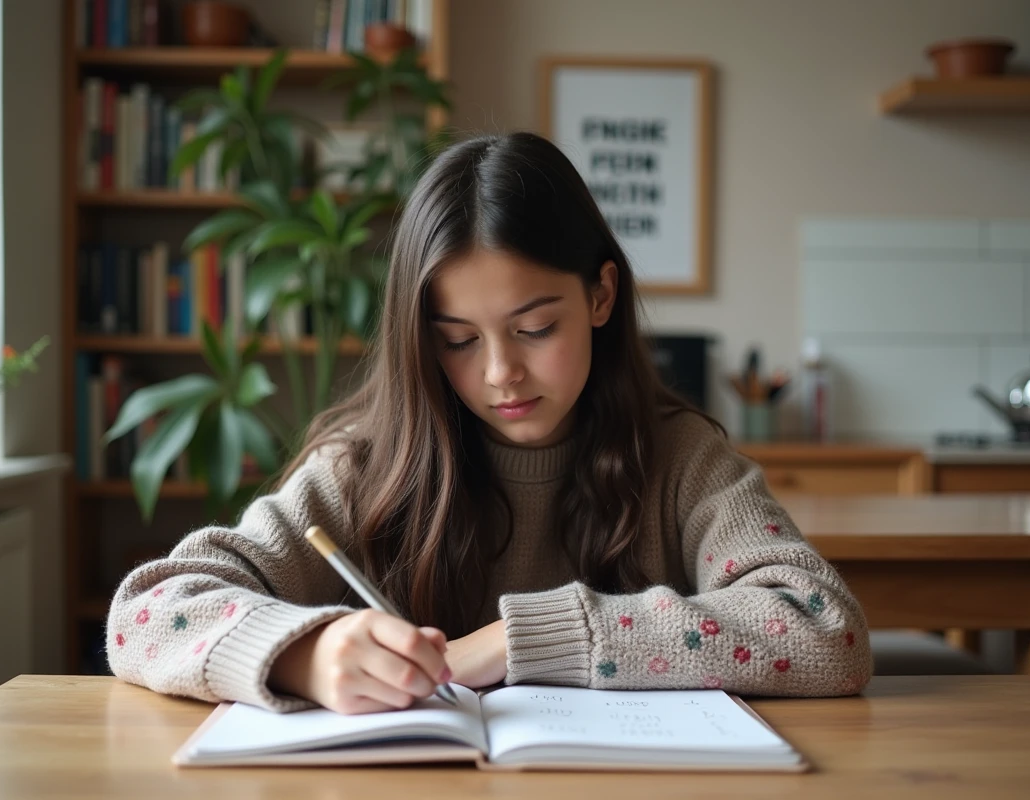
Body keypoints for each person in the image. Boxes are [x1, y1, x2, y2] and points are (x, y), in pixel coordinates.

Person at [107, 131, 872, 714]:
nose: (499, 372)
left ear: (601, 296)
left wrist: (518, 641)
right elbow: (143, 614)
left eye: (535, 328)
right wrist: (305, 652)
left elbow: (826, 630)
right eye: (457, 341)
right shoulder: (367, 467)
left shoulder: (681, 457)